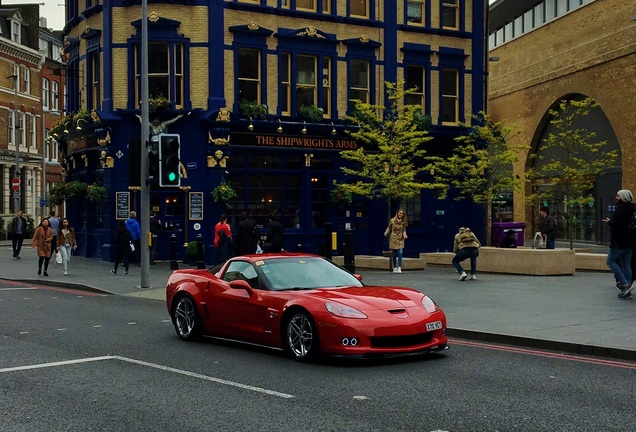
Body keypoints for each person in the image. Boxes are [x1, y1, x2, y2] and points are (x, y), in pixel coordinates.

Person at [602, 189, 635, 299]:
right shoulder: (633, 209)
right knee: (626, 264)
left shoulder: (621, 209)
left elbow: (619, 225)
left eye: (618, 196)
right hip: (630, 241)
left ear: (623, 197)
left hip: (619, 241)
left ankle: (624, 283)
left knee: (610, 261)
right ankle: (628, 289)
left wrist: (609, 222)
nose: (616, 198)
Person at [384, 208, 408, 273]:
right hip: (394, 238)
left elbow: (404, 230)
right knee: (394, 253)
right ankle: (394, 267)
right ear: (397, 213)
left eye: (402, 214)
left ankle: (399, 267)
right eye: (400, 213)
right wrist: (386, 232)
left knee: (400, 252)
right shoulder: (392, 220)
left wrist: (405, 235)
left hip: (400, 238)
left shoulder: (403, 222)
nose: (401, 214)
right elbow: (389, 227)